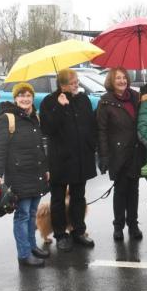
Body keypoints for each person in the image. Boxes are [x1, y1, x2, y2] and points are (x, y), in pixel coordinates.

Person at [0, 82, 50, 267]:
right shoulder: (7, 118)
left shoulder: (35, 117)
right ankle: (24, 254)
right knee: (22, 214)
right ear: (15, 98)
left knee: (32, 213)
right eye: (21, 95)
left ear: (33, 98)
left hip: (36, 173)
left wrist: (46, 168)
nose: (25, 99)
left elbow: (40, 147)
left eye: (28, 95)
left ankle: (32, 246)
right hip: (18, 174)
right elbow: (0, 148)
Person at [40, 68, 97, 251]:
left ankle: (78, 231)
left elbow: (90, 125)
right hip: (60, 159)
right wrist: (60, 107)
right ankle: (60, 234)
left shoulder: (83, 99)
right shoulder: (50, 102)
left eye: (77, 81)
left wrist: (91, 146)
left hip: (81, 158)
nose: (76, 85)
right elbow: (47, 129)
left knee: (78, 197)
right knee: (57, 199)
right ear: (62, 85)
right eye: (73, 83)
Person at [97, 68, 145, 241]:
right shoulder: (105, 102)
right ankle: (118, 225)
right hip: (117, 153)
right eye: (118, 78)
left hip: (135, 151)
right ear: (111, 80)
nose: (122, 81)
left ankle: (133, 224)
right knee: (120, 191)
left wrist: (145, 95)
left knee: (134, 191)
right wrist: (103, 156)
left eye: (124, 77)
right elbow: (101, 131)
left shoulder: (135, 97)